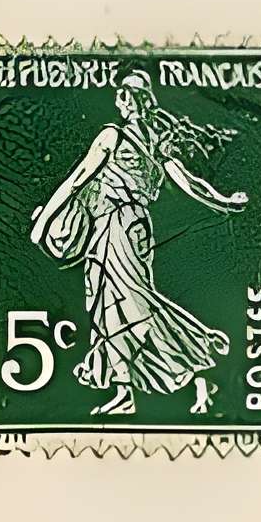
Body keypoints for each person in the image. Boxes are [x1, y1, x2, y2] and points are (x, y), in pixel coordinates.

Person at [29, 69, 247, 417]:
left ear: (131, 101)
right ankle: (136, 389)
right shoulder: (156, 145)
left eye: (124, 94)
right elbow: (189, 184)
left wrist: (43, 222)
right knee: (119, 305)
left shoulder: (111, 136)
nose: (121, 99)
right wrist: (224, 201)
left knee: (125, 304)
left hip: (115, 224)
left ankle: (191, 369)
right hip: (136, 227)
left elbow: (77, 179)